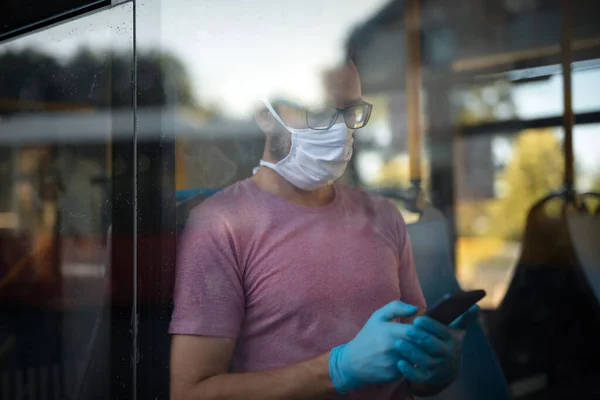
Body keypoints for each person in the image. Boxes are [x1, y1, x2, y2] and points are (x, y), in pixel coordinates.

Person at [169, 61, 478, 400]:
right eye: (319, 113)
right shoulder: (222, 224)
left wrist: (435, 368)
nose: (341, 129)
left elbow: (415, 372)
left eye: (350, 112)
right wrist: (337, 370)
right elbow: (190, 393)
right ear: (265, 115)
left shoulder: (383, 216)